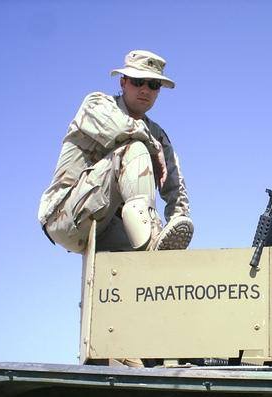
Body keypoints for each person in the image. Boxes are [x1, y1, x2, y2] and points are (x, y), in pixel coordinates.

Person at [38, 50, 193, 253]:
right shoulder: (96, 105)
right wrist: (153, 147)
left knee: (146, 260)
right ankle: (152, 239)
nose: (145, 90)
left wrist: (179, 219)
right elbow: (122, 129)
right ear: (123, 82)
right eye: (138, 81)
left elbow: (175, 186)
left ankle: (157, 254)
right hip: (65, 215)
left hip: (108, 225)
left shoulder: (158, 134)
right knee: (134, 148)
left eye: (153, 85)